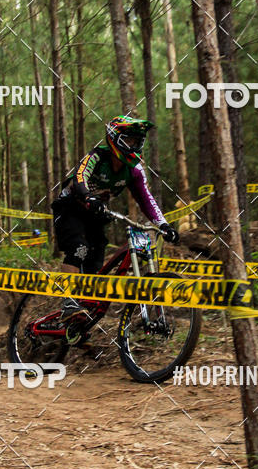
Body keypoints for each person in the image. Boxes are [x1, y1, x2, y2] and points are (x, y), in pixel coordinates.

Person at [52, 116, 179, 319]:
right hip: (70, 208)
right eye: (129, 140)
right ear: (115, 139)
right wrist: (87, 196)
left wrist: (163, 224)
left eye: (137, 141)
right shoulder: (97, 156)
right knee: (79, 248)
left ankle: (80, 320)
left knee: (96, 262)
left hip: (95, 213)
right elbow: (79, 176)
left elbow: (146, 199)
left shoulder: (134, 171)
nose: (133, 145)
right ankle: (68, 303)